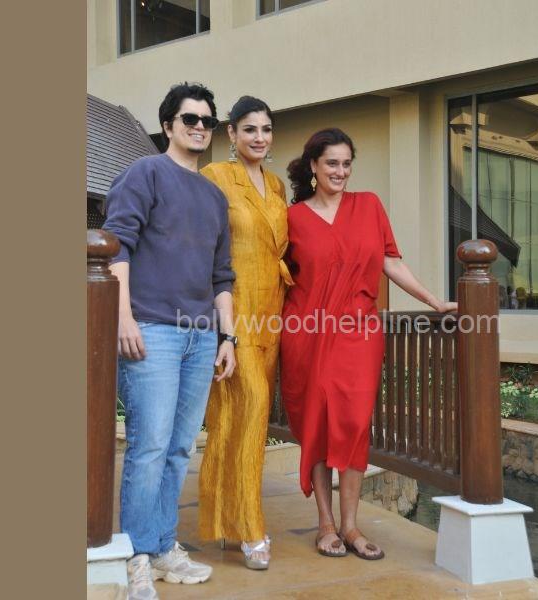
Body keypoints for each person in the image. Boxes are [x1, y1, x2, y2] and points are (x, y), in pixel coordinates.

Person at [280, 128, 457, 560]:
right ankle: (326, 524)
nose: (340, 171)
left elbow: (391, 262)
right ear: (314, 166)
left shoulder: (369, 206)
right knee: (318, 425)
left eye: (346, 163)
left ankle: (351, 526)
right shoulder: (292, 218)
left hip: (358, 334)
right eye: (332, 163)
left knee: (355, 425)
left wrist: (434, 301)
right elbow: (276, 279)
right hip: (307, 333)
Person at [102, 82, 237, 600]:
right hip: (152, 329)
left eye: (206, 120)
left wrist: (227, 337)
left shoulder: (214, 196)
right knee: (150, 445)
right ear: (168, 125)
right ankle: (136, 555)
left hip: (201, 337)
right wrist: (123, 318)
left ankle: (161, 546)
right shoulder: (145, 173)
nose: (199, 127)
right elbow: (117, 246)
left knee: (179, 447)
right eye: (189, 119)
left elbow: (222, 275)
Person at [197, 96, 291, 570]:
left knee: (242, 421)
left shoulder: (276, 185)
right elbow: (204, 245)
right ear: (231, 134)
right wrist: (220, 328)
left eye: (266, 129)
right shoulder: (215, 176)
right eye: (249, 129)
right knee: (248, 407)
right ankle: (251, 528)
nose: (259, 137)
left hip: (272, 313)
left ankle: (226, 518)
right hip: (232, 313)